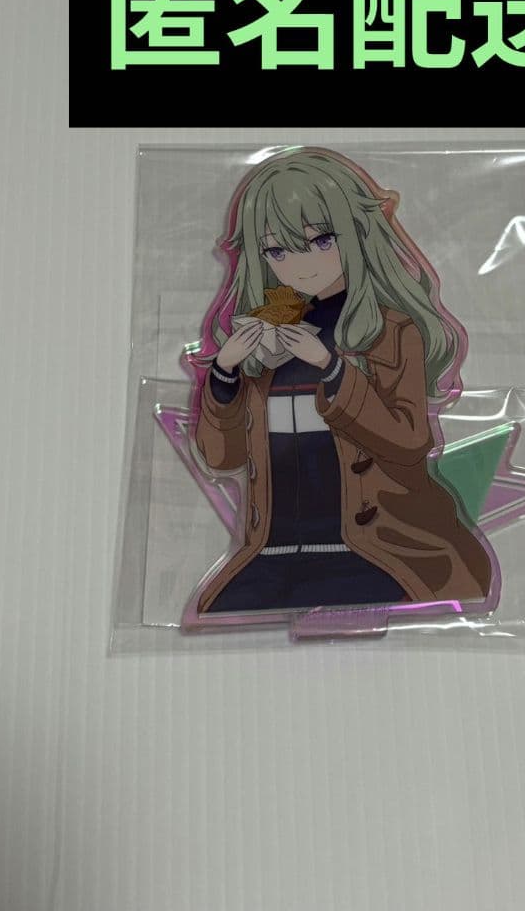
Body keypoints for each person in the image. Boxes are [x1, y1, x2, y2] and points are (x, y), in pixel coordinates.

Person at [183, 147, 497, 618]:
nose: (301, 264)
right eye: (277, 251)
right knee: (218, 613)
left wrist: (332, 370)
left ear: (356, 233)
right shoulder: (266, 343)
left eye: (322, 240)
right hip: (277, 554)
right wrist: (225, 374)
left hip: (382, 551)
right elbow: (221, 458)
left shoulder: (390, 332)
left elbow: (410, 440)